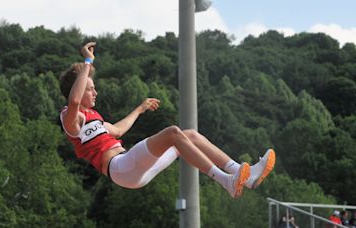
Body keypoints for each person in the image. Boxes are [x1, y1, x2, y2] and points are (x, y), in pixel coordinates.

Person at [59, 41, 276, 198]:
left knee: (187, 136)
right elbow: (75, 99)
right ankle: (226, 181)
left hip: (132, 169)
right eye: (90, 88)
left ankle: (241, 174)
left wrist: (140, 109)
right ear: (75, 91)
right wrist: (87, 62)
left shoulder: (94, 117)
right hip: (120, 168)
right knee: (173, 132)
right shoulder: (71, 118)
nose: (95, 92)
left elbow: (116, 130)